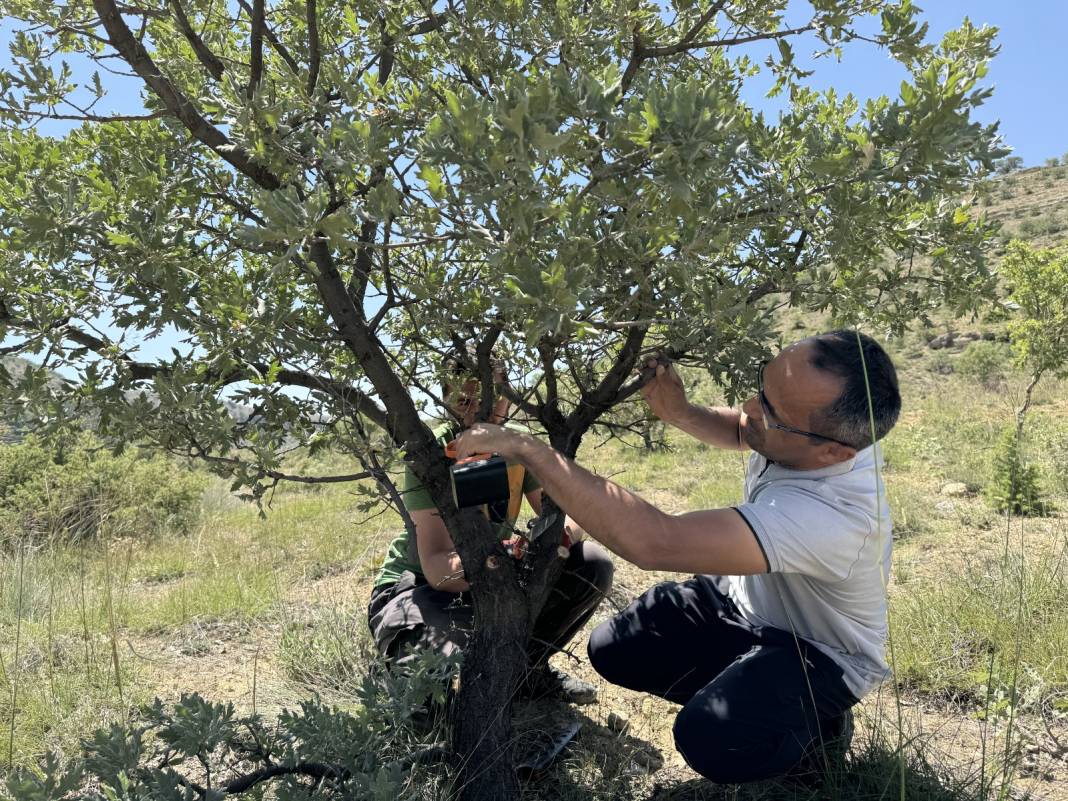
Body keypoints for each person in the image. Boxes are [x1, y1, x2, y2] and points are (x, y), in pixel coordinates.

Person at [453, 331, 901, 783]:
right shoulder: (807, 433)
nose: (749, 407)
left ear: (834, 452)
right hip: (742, 602)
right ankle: (752, 687)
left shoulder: (837, 517)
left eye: (769, 410)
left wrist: (531, 452)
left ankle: (812, 741)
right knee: (615, 649)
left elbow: (656, 542)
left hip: (817, 651)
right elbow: (746, 430)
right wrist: (680, 412)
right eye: (761, 388)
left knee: (711, 737)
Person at [367, 351, 614, 704]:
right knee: (427, 695)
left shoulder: (516, 447)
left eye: (489, 400)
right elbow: (437, 568)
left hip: (491, 573)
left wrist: (548, 543)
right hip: (421, 585)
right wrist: (499, 560)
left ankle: (527, 672)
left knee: (591, 565)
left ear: (507, 398)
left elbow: (568, 514)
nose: (477, 413)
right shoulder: (433, 452)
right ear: (447, 398)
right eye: (465, 402)